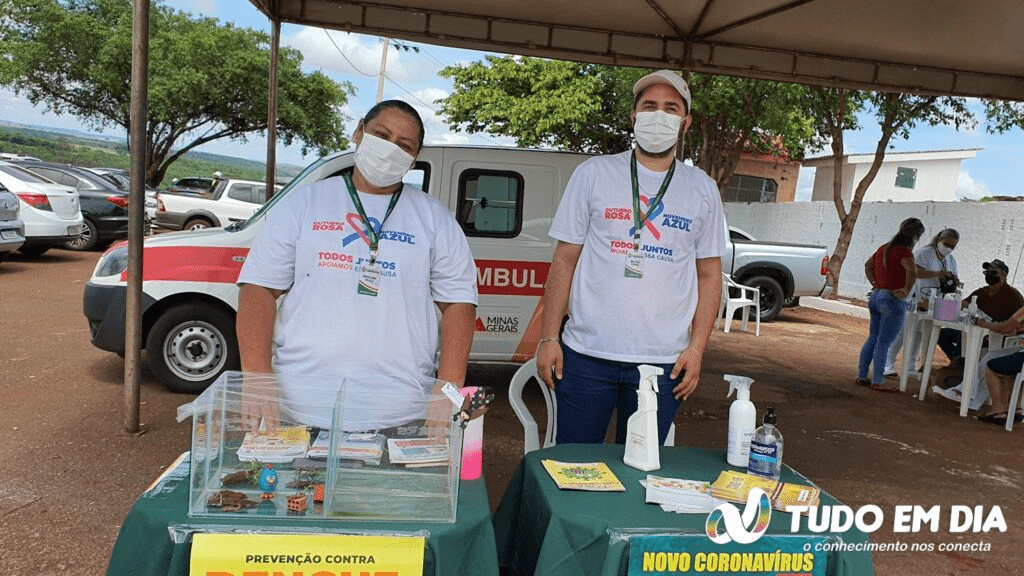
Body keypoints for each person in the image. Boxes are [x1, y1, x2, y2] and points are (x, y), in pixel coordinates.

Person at [235, 100, 478, 431]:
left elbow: (459, 305)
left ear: (413, 160)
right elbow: (258, 289)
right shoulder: (305, 204)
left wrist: (447, 391)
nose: (390, 149)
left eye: (404, 146)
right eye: (381, 134)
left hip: (399, 412)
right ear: (359, 131)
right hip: (298, 407)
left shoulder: (434, 218)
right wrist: (257, 378)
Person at [535, 70, 726, 445]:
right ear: (633, 117)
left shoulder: (702, 189)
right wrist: (548, 339)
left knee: (642, 472)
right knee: (573, 465)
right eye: (649, 106)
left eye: (671, 108)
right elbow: (564, 262)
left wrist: (697, 350)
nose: (659, 115)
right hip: (586, 354)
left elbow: (709, 276)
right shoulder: (593, 174)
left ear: (685, 123)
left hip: (663, 362)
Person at [933, 259, 1024, 409]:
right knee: (956, 338)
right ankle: (969, 394)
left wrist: (983, 324)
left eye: (993, 272)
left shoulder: (1014, 297)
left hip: (1005, 340)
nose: (988, 275)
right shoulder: (982, 292)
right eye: (986, 272)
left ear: (1003, 275)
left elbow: (1007, 328)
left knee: (990, 363)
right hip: (1001, 338)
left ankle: (995, 408)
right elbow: (962, 304)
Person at [857, 217, 925, 392]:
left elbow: (868, 265)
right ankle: (877, 380)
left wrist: (875, 282)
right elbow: (912, 271)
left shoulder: (884, 248)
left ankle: (862, 375)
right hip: (892, 299)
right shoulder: (905, 252)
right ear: (916, 236)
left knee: (873, 337)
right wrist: (906, 290)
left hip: (877, 295)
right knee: (884, 342)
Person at [884, 228, 959, 377]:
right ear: (939, 239)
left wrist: (953, 280)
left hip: (933, 302)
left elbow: (955, 277)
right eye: (947, 244)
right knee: (901, 333)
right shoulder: (924, 253)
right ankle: (887, 365)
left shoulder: (951, 259)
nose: (949, 248)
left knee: (919, 335)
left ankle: (911, 367)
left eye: (953, 246)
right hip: (915, 297)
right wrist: (937, 274)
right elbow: (914, 271)